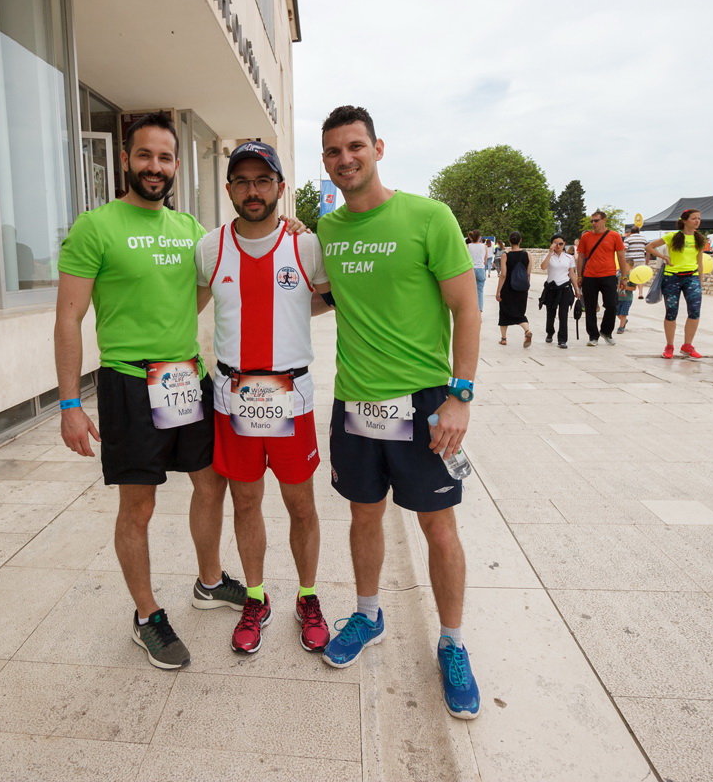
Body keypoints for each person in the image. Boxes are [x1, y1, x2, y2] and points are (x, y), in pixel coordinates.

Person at [55, 113, 246, 670]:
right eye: (144, 155)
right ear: (125, 159)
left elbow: (204, 287)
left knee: (211, 484)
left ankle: (209, 581)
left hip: (185, 378)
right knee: (138, 506)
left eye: (164, 158)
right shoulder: (95, 227)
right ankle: (146, 616)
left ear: (176, 165)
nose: (154, 167)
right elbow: (68, 320)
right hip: (129, 383)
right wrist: (70, 404)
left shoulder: (189, 230)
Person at [317, 105, 482, 719]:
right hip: (355, 404)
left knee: (438, 526)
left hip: (423, 404)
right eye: (333, 151)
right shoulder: (327, 231)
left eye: (355, 146)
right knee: (364, 516)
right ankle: (368, 615)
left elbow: (466, 309)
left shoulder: (428, 217)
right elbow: (320, 296)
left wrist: (459, 395)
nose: (345, 159)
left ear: (378, 148)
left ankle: (453, 643)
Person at [195, 141, 332, 655]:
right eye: (242, 181)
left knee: (301, 505)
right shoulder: (210, 248)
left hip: (291, 396)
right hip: (234, 397)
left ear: (279, 187)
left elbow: (329, 298)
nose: (253, 191)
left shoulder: (306, 245)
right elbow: (184, 308)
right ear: (229, 188)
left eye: (263, 180)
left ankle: (308, 596)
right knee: (246, 501)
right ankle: (255, 597)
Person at [644, 208, 706, 359]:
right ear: (684, 220)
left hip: (692, 277)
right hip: (672, 277)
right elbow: (649, 247)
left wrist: (700, 280)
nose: (697, 221)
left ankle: (687, 345)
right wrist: (663, 257)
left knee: (695, 311)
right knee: (671, 312)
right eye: (693, 218)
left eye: (699, 218)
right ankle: (669, 346)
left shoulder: (699, 238)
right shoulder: (672, 236)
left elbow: (700, 261)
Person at [575, 211, 629, 346]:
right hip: (589, 276)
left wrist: (624, 277)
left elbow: (621, 257)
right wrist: (579, 275)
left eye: (596, 221)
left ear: (604, 220)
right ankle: (593, 336)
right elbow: (580, 256)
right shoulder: (586, 237)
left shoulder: (614, 236)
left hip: (608, 275)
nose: (593, 223)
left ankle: (606, 331)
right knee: (590, 307)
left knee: (611, 305)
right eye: (592, 221)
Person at [539, 234, 579, 348]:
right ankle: (550, 332)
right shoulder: (548, 256)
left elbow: (572, 273)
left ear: (564, 244)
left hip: (564, 288)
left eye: (561, 243)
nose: (558, 246)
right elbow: (543, 267)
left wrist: (576, 288)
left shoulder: (569, 258)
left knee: (563, 314)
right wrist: (550, 253)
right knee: (550, 313)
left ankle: (562, 339)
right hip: (551, 288)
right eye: (555, 243)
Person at [495, 230, 532, 347]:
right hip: (522, 289)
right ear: (520, 240)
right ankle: (527, 330)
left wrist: (498, 291)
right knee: (520, 313)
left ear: (509, 241)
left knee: (504, 312)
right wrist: (526, 287)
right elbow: (528, 274)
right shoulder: (528, 255)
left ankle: (503, 338)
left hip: (508, 288)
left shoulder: (505, 256)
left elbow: (503, 275)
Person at [466, 229, 488, 311]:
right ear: (479, 237)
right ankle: (479, 310)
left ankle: (470, 310)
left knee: (470, 292)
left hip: (470, 269)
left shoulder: (468, 246)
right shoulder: (484, 247)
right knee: (480, 292)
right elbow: (485, 261)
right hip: (480, 269)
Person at [623, 226, 649, 298]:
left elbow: (625, 249)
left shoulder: (628, 239)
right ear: (639, 231)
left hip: (630, 260)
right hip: (640, 259)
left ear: (631, 232)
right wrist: (647, 258)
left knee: (627, 274)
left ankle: (625, 289)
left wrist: (622, 259)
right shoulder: (644, 238)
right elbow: (648, 249)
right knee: (639, 276)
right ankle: (640, 293)